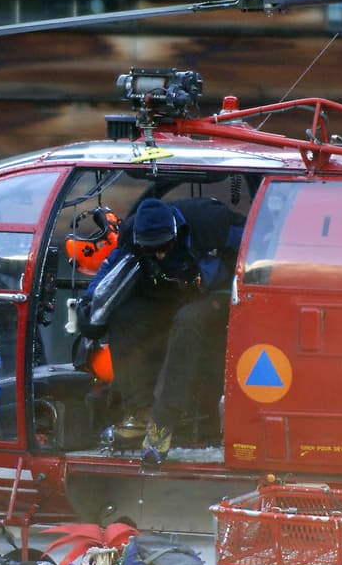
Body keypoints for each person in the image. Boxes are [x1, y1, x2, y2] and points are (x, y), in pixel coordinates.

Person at [80, 196, 245, 464]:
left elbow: (260, 247)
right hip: (170, 295)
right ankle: (140, 410)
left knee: (188, 321)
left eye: (166, 246)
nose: (160, 254)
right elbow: (110, 270)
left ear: (177, 231)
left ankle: (162, 421)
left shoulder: (211, 221)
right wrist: (90, 306)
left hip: (219, 293)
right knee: (124, 316)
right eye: (152, 249)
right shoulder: (131, 234)